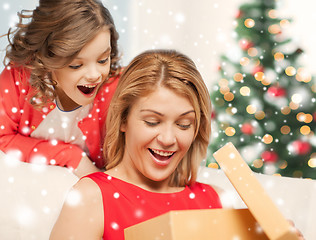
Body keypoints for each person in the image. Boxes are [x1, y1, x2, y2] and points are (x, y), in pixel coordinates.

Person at [49, 49, 223, 239]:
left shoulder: (218, 201)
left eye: (183, 125)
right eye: (152, 122)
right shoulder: (91, 198)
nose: (167, 139)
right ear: (124, 119)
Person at [0, 0, 121, 177]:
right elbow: (2, 138)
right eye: (76, 65)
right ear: (46, 60)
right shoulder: (19, 77)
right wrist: (70, 156)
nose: (95, 75)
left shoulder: (119, 90)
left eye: (103, 60)